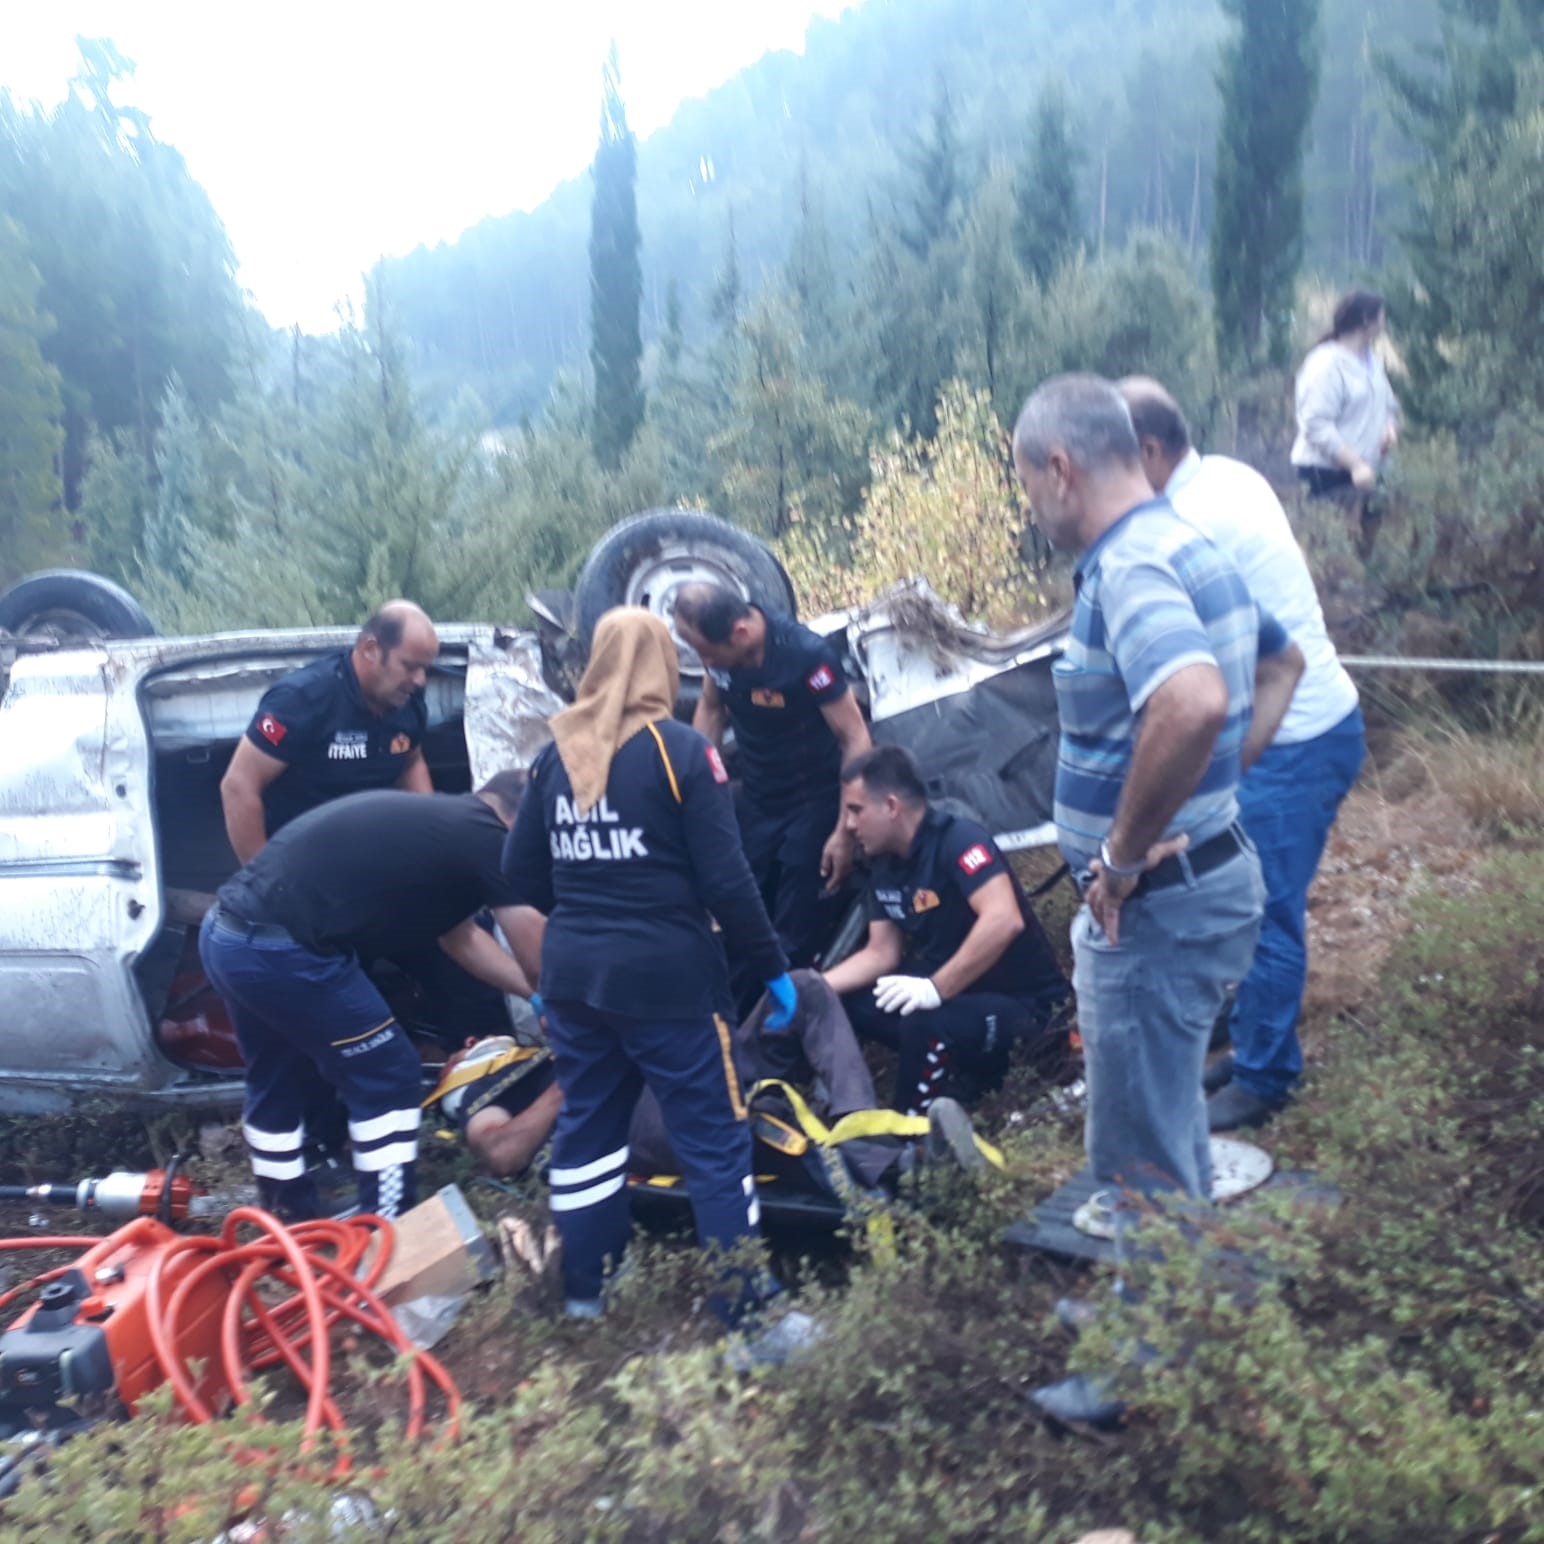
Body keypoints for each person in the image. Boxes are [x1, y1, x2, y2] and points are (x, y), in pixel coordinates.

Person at [1010, 374, 1304, 1427]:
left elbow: (1193, 696)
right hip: (1205, 880)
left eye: (1025, 484)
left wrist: (1123, 857)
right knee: (1165, 1114)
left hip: (1158, 906)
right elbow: (1280, 663)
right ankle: (1162, 1297)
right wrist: (1215, 784)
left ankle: (1143, 1367)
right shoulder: (1190, 544)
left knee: (1133, 1146)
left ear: (1059, 468)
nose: (1030, 510)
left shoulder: (1127, 564)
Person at [498, 608, 804, 1338]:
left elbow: (518, 877)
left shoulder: (554, 754)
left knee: (589, 1133)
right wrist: (775, 972)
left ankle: (583, 1294)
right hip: (669, 984)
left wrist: (590, 896)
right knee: (714, 1141)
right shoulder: (682, 752)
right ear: (661, 666)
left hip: (574, 983)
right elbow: (729, 885)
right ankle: (748, 1319)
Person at [1121, 377, 1366, 1130]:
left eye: (1118, 460)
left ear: (1152, 451)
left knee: (1266, 910)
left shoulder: (1191, 523)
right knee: (1246, 902)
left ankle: (1265, 1076)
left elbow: (1208, 672)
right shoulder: (1227, 474)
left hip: (1296, 733)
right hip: (1301, 722)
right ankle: (1255, 1040)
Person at [199, 773, 539, 1222]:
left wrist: (537, 995)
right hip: (283, 950)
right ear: (521, 820)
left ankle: (286, 1216)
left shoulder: (446, 828)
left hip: (227, 935)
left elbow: (462, 941)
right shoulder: (487, 833)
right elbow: (530, 935)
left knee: (275, 1076)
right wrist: (565, 997)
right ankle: (388, 1221)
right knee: (390, 1071)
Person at [220, 601, 512, 1047]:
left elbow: (411, 760)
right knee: (346, 1010)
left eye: (425, 671)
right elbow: (238, 787)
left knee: (463, 953)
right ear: (371, 648)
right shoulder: (303, 700)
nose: (419, 681)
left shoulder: (406, 703)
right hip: (308, 888)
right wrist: (267, 891)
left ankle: (482, 1078)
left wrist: (438, 847)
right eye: (410, 666)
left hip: (380, 874)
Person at [432, 971, 995, 1195]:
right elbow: (502, 1155)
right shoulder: (476, 1089)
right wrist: (582, 1073)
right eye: (467, 1044)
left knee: (804, 988)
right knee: (726, 1114)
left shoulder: (533, 1049)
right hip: (631, 1109)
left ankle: (863, 1133)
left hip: (685, 1053)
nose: (476, 1040)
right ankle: (909, 1173)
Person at [821, 745, 1070, 1114]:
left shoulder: (959, 841)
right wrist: (810, 988)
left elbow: (1004, 919)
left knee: (925, 1021)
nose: (849, 825)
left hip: (1026, 1009)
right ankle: (855, 1105)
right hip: (958, 999)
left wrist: (936, 989)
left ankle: (912, 1139)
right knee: (848, 1000)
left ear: (891, 807)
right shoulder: (883, 866)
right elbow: (880, 954)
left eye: (855, 811)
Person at [672, 584, 873, 1005]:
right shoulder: (720, 661)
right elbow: (711, 709)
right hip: (758, 800)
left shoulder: (805, 656)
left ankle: (783, 1034)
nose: (704, 663)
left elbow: (854, 738)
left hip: (813, 802)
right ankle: (734, 1024)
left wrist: (846, 828)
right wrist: (688, 780)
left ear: (741, 632)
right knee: (739, 914)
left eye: (707, 652)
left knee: (793, 929)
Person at [1290, 290, 1401, 547]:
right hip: (1328, 475)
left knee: (1365, 551)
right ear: (1366, 319)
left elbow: (1390, 405)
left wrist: (1389, 428)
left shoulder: (1372, 362)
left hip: (1370, 473)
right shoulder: (1326, 365)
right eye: (1381, 317)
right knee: (1329, 550)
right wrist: (1355, 465)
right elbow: (1315, 425)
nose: (1384, 323)